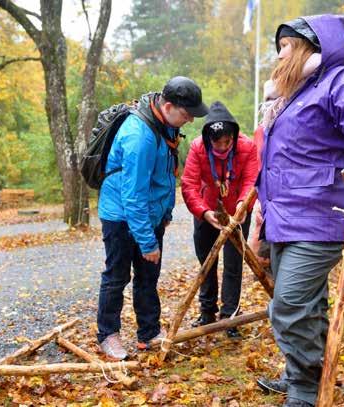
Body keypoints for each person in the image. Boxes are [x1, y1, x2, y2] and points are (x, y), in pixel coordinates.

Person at [254, 15, 344, 407]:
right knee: (308, 302)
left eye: (286, 46)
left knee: (289, 305)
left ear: (311, 47)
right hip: (284, 217)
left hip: (319, 216)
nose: (279, 54)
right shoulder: (289, 96)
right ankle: (302, 374)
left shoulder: (339, 81)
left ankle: (303, 390)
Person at [96, 76, 208, 360]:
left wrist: (165, 214)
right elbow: (132, 195)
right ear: (168, 105)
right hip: (122, 216)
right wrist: (147, 242)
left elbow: (165, 176)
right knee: (116, 276)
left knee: (148, 277)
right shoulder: (140, 135)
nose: (190, 121)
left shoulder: (165, 126)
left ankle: (148, 333)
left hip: (149, 215)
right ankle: (108, 335)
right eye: (186, 114)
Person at [181, 101, 259, 338]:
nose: (223, 146)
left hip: (237, 213)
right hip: (208, 213)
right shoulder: (197, 148)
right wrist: (203, 212)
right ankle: (207, 313)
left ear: (234, 136)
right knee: (207, 263)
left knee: (234, 265)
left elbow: (251, 180)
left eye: (227, 142)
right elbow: (189, 185)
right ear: (208, 139)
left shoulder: (247, 147)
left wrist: (242, 206)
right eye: (217, 142)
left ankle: (230, 317)